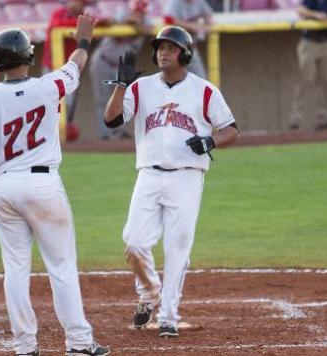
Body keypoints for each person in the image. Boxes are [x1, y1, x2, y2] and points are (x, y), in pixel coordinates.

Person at [0, 15, 110, 356]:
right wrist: (83, 39)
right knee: (61, 266)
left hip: (4, 186)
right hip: (42, 185)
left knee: (15, 269)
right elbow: (77, 63)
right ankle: (79, 343)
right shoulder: (48, 86)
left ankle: (25, 346)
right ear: (28, 56)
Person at [103, 26, 238, 338]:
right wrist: (122, 86)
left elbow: (231, 129)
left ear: (185, 53)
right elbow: (110, 120)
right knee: (134, 241)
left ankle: (168, 317)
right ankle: (150, 291)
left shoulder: (204, 90)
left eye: (171, 47)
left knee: (177, 248)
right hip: (148, 174)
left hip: (187, 178)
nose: (163, 52)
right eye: (160, 47)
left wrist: (210, 142)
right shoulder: (141, 88)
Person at [89, 0, 153, 140]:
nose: (138, 14)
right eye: (136, 11)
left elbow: (150, 29)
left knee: (122, 98)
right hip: (103, 61)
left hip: (121, 66)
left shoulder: (146, 20)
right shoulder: (122, 14)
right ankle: (105, 134)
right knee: (102, 99)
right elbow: (107, 22)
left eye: (140, 12)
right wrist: (125, 22)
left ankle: (119, 131)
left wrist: (138, 25)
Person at [42, 0, 99, 142]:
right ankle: (47, 139)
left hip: (70, 69)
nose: (83, 6)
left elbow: (94, 24)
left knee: (67, 107)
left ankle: (61, 141)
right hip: (52, 67)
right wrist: (80, 27)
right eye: (81, 3)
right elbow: (57, 26)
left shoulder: (82, 17)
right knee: (49, 104)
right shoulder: (60, 14)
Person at [289, 0, 327, 131]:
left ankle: (324, 119)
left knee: (326, 80)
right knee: (306, 79)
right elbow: (301, 10)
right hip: (309, 42)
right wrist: (317, 15)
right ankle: (296, 118)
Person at [162, 0, 213, 79]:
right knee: (174, 82)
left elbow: (208, 15)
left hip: (190, 49)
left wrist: (208, 25)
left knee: (200, 81)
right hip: (174, 49)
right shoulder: (174, 2)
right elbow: (167, 19)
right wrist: (190, 26)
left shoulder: (199, 2)